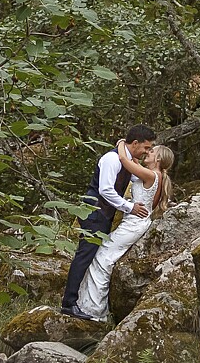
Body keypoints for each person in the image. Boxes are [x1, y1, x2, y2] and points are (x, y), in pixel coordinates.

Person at [59, 124, 154, 316]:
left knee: (91, 255)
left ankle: (79, 300)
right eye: (146, 147)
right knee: (84, 255)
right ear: (135, 143)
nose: (147, 151)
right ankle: (69, 303)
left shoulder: (126, 160)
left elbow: (139, 180)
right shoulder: (112, 159)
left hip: (104, 214)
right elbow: (105, 190)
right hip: (94, 212)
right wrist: (130, 207)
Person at [73, 143, 173, 322]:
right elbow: (132, 165)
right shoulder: (149, 174)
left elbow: (124, 160)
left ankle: (95, 311)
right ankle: (88, 304)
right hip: (133, 222)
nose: (147, 153)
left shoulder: (151, 174)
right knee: (103, 255)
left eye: (151, 151)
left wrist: (121, 144)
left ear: (158, 159)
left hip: (134, 224)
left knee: (103, 259)